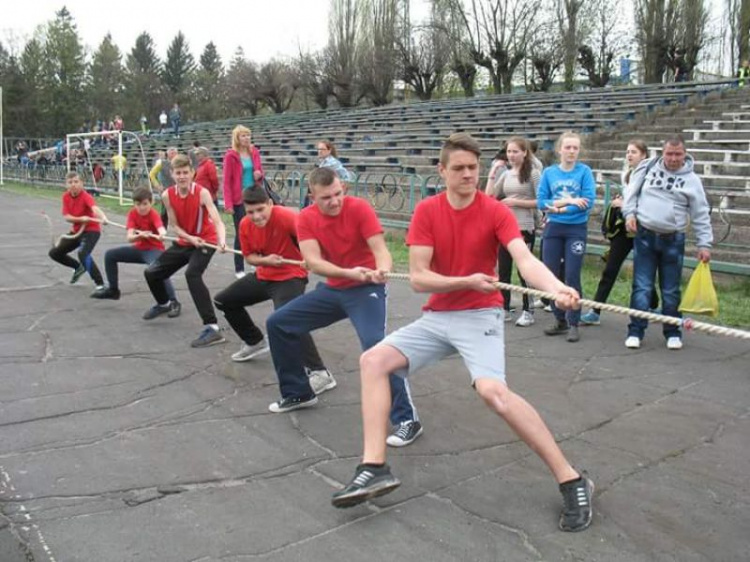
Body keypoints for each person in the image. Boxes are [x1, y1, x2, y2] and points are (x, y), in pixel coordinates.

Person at [331, 133, 594, 534]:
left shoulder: (495, 211)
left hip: (479, 316)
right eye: (459, 168)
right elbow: (419, 279)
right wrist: (465, 280)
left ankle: (572, 480)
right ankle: (374, 466)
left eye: (473, 168)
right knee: (373, 361)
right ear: (442, 171)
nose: (468, 174)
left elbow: (524, 260)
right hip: (439, 315)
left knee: (494, 393)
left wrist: (555, 288)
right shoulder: (427, 211)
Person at [265, 167, 423, 448]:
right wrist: (350, 273)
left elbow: (381, 251)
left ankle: (407, 419)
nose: (335, 201)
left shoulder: (359, 208)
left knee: (377, 347)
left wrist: (383, 269)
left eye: (338, 193)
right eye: (326, 197)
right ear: (312, 196)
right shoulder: (307, 219)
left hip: (366, 290)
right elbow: (313, 262)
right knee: (279, 323)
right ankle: (299, 392)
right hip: (335, 288)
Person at [213, 188, 335, 393]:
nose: (256, 216)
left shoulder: (288, 217)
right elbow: (250, 257)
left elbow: (314, 242)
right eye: (250, 212)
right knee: (223, 300)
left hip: (291, 275)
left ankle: (321, 373)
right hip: (264, 275)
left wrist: (310, 258)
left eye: (260, 210)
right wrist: (265, 261)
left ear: (270, 204)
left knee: (288, 318)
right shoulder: (245, 224)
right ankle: (255, 341)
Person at [622, 135, 712, 350]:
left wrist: (704, 244)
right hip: (645, 235)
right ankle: (635, 331)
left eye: (677, 154)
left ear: (685, 154)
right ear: (662, 153)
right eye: (669, 154)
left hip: (673, 239)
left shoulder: (692, 180)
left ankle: (672, 331)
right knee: (641, 287)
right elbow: (631, 193)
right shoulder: (647, 167)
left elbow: (700, 213)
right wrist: (629, 214)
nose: (673, 158)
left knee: (671, 289)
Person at [143, 155, 227, 348]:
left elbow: (217, 220)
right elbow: (174, 226)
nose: (182, 176)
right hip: (186, 241)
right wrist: (190, 239)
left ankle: (212, 328)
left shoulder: (202, 193)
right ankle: (164, 303)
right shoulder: (167, 195)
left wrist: (222, 241)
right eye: (178, 173)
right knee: (152, 272)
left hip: (206, 242)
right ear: (172, 174)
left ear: (192, 173)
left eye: (185, 173)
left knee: (192, 275)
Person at [580, 140, 658, 325]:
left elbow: (650, 202)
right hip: (624, 229)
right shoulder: (627, 174)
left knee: (643, 271)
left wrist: (626, 204)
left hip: (643, 229)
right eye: (628, 152)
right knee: (610, 269)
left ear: (644, 156)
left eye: (634, 152)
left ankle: (654, 306)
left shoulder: (652, 176)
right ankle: (596, 310)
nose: (629, 155)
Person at [537, 132, 595, 343]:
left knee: (572, 275)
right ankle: (559, 318)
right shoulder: (549, 173)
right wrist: (571, 201)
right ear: (559, 149)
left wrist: (559, 208)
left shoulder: (584, 172)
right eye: (568, 147)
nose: (571, 151)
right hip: (553, 229)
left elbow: (587, 201)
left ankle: (573, 322)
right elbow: (542, 202)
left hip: (576, 229)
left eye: (575, 148)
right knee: (551, 274)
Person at [91, 186, 179, 312]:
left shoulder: (153, 214)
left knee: (158, 269)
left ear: (151, 202)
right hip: (139, 249)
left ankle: (173, 301)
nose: (142, 207)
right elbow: (130, 237)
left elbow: (161, 229)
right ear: (134, 204)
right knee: (110, 255)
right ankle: (113, 290)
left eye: (145, 204)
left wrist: (162, 234)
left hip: (154, 250)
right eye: (138, 204)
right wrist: (141, 235)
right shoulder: (132, 213)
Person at [487, 136, 540, 327]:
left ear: (524, 153)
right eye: (509, 151)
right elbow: (490, 195)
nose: (511, 155)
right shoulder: (507, 174)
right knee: (504, 271)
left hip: (524, 226)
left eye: (515, 151)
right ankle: (504, 308)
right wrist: (493, 172)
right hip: (505, 227)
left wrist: (516, 202)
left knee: (524, 270)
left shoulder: (533, 173)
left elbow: (542, 201)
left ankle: (528, 309)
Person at [48, 171, 107, 288]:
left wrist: (103, 217)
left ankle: (100, 284)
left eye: (76, 182)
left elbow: (95, 208)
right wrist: (81, 219)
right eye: (70, 182)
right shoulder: (65, 196)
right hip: (76, 232)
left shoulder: (86, 196)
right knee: (54, 253)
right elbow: (67, 217)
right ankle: (78, 267)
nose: (73, 185)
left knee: (83, 253)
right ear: (66, 185)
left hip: (91, 231)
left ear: (82, 183)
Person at [223, 125, 265, 278]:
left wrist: (259, 174)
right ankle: (239, 268)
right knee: (242, 233)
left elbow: (260, 170)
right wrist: (228, 204)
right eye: (243, 136)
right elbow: (226, 181)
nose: (247, 138)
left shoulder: (254, 152)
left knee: (258, 231)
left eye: (248, 135)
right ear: (237, 138)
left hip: (254, 196)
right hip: (239, 199)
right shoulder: (230, 156)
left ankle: (258, 263)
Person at [149, 147, 177, 228]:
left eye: (175, 152)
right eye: (171, 152)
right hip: (166, 190)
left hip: (178, 190)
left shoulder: (179, 163)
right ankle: (162, 229)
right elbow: (151, 174)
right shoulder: (162, 163)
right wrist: (157, 185)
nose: (173, 154)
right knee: (165, 211)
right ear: (167, 154)